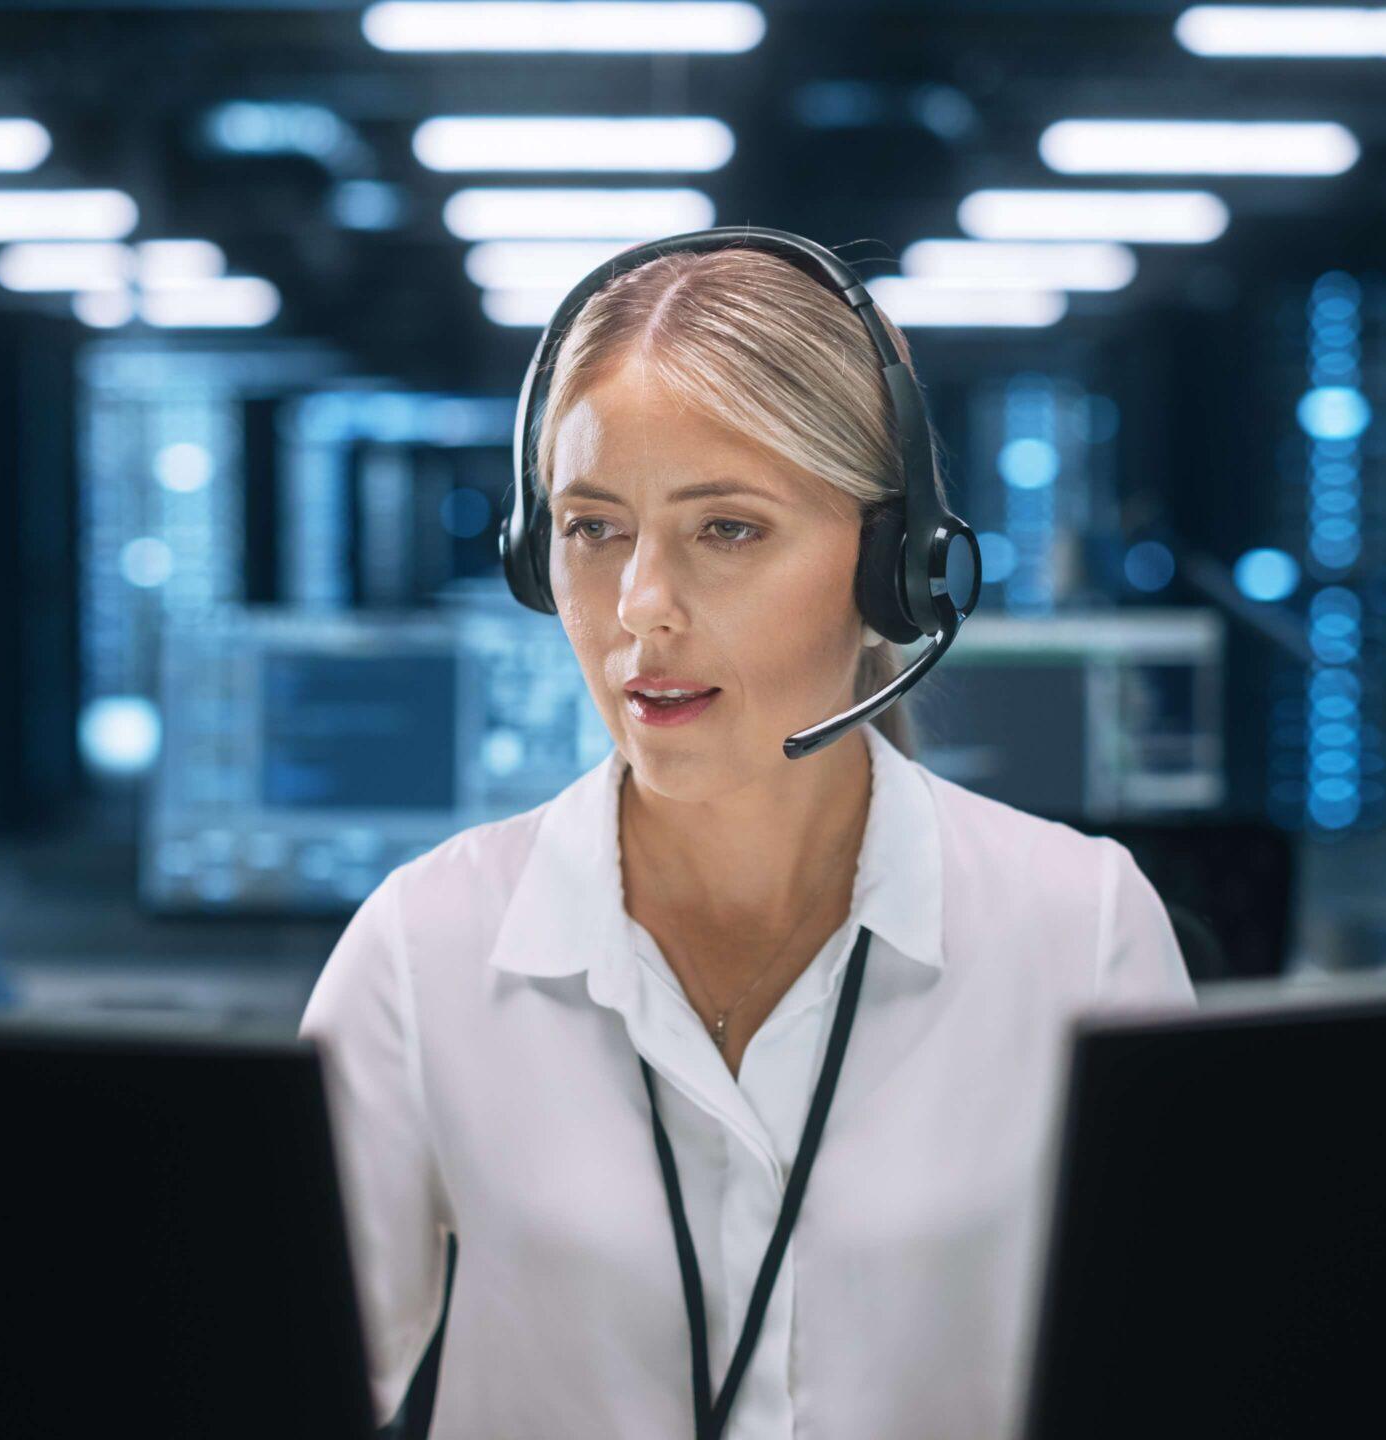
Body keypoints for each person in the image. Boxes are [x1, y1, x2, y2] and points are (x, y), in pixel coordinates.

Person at [299, 239, 1193, 1440]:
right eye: (590, 528)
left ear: (895, 572)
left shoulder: (1077, 931)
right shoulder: (427, 947)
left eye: (726, 530)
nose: (638, 607)